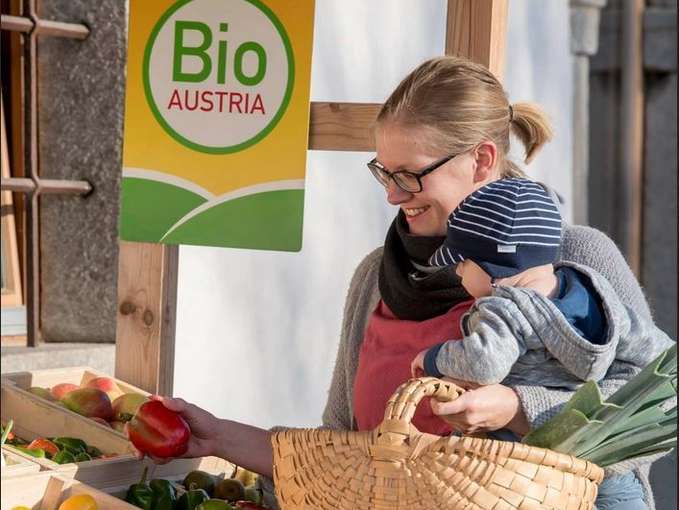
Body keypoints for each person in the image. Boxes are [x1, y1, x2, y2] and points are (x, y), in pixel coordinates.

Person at [138, 57, 672, 510]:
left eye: (409, 175)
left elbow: (659, 406)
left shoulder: (573, 259)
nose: (393, 196)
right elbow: (343, 452)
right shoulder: (377, 275)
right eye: (384, 173)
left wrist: (517, 407)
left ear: (482, 159)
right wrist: (221, 436)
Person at [409, 177, 673, 430]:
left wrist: (433, 358)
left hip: (514, 447)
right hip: (578, 452)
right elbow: (661, 356)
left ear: (495, 266)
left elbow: (485, 363)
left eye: (463, 261)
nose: (457, 272)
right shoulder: (601, 300)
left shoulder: (505, 308)